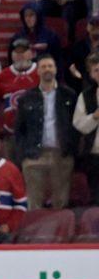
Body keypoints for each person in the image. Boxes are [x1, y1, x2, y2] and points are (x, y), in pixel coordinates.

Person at [14, 53, 78, 209]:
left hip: (61, 153)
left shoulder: (68, 95)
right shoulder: (26, 98)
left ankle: (60, 233)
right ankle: (34, 232)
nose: (47, 69)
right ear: (37, 71)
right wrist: (24, 155)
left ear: (56, 69)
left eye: (50, 66)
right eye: (43, 66)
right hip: (34, 155)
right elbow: (19, 130)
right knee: (34, 203)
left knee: (60, 202)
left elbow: (75, 126)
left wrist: (71, 149)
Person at [0, 38, 40, 162]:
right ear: (12, 55)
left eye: (24, 52)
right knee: (12, 170)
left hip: (36, 134)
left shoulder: (40, 72)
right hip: (11, 134)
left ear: (31, 53)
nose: (20, 55)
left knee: (34, 171)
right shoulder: (3, 75)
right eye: (17, 52)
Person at [71, 51, 99, 205]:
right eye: (95, 70)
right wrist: (94, 117)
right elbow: (78, 124)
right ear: (91, 74)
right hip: (95, 157)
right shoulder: (86, 96)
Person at [8, 1, 63, 73]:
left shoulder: (50, 36)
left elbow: (58, 60)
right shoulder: (17, 38)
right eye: (26, 16)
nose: (28, 19)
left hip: (45, 75)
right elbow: (11, 63)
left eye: (31, 15)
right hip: (23, 76)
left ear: (38, 16)